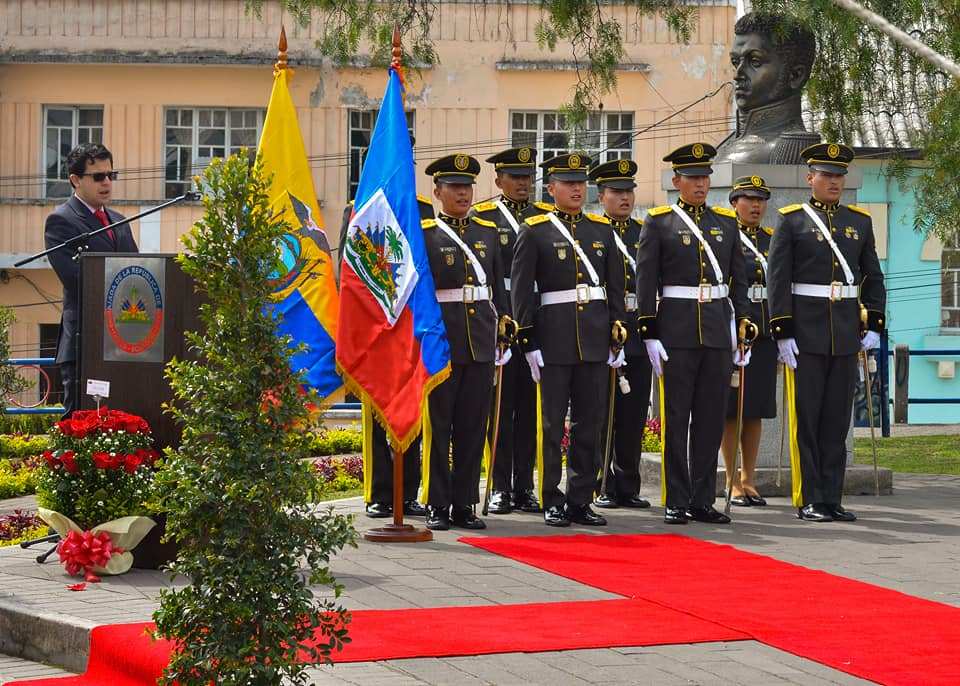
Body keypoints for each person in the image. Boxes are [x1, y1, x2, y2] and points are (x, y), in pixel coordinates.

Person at [634, 143, 754, 525]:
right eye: (693, 177)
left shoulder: (725, 223)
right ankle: (676, 497)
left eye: (704, 177)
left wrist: (743, 322)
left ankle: (703, 498)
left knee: (710, 417)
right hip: (677, 331)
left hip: (718, 329)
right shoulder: (660, 222)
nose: (701, 184)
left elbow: (740, 279)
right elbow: (646, 278)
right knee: (676, 416)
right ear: (677, 181)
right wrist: (649, 328)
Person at [767, 143, 885, 522]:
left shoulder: (859, 222)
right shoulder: (793, 220)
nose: (834, 181)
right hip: (806, 334)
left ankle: (833, 496)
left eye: (839, 175)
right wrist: (782, 330)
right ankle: (810, 498)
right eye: (827, 175)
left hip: (845, 332)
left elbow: (872, 276)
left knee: (836, 420)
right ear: (810, 178)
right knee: (808, 418)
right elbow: (779, 279)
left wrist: (875, 323)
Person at [511, 152, 627, 527]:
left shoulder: (601, 231)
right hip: (554, 340)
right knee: (550, 424)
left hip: (594, 340)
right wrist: (528, 338)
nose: (577, 189)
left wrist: (616, 328)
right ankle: (551, 497)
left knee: (589, 423)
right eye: (568, 183)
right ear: (551, 188)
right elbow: (522, 289)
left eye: (581, 183)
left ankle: (581, 498)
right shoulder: (535, 229)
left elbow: (615, 287)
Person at [420, 153, 509, 531]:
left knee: (474, 426)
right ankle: (437, 504)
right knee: (440, 427)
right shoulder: (426, 234)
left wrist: (504, 325)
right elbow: (421, 295)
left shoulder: (487, 232)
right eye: (454, 187)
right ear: (437, 191)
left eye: (468, 186)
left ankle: (464, 504)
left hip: (481, 342)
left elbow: (497, 288)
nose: (463, 193)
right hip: (443, 341)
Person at [339, 193, 434, 519]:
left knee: (411, 411)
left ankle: (406, 493)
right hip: (375, 328)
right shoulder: (361, 204)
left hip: (409, 326)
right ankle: (379, 494)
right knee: (378, 413)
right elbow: (349, 274)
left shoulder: (421, 207)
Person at [470, 147, 553, 515]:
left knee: (532, 407)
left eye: (527, 176)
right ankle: (501, 485)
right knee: (500, 408)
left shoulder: (546, 218)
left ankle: (525, 485)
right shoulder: (485, 219)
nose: (523, 183)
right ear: (498, 180)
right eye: (515, 177)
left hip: (540, 319)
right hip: (501, 318)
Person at [44, 143, 138, 418]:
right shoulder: (61, 221)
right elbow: (77, 280)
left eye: (111, 175)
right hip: (85, 340)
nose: (107, 182)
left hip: (124, 341)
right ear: (75, 179)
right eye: (98, 176)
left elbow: (135, 273)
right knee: (81, 423)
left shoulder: (119, 221)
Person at [587, 158, 653, 510]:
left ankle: (628, 483)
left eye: (629, 191)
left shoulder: (645, 232)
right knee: (602, 412)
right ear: (602, 196)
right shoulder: (594, 232)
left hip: (638, 330)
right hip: (603, 330)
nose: (624, 198)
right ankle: (602, 482)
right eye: (617, 192)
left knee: (633, 414)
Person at [721, 176, 778, 507]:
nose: (755, 205)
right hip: (734, 331)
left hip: (765, 330)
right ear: (734, 202)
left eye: (760, 200)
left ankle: (749, 477)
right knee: (732, 410)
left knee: (755, 408)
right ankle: (730, 479)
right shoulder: (726, 239)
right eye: (748, 199)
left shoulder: (772, 240)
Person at [715, 12, 819, 165]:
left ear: (795, 75)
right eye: (736, 62)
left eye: (755, 62)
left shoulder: (793, 151)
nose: (737, 75)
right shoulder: (723, 148)